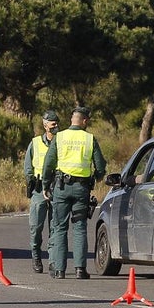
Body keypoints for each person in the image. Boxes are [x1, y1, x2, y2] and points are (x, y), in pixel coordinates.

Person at [42, 106, 106, 280]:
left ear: (72, 120)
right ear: (84, 121)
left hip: (61, 187)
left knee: (60, 227)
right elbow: (100, 166)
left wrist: (46, 185)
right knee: (79, 228)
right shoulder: (89, 139)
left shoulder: (60, 137)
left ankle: (60, 270)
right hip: (81, 189)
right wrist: (97, 177)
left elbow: (49, 163)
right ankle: (80, 269)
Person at [24, 110, 60, 273]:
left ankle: (52, 260)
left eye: (57, 123)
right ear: (45, 125)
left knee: (55, 226)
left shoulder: (61, 142)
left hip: (56, 188)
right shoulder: (35, 142)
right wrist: (31, 181)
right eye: (53, 124)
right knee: (36, 226)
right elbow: (27, 167)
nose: (56, 126)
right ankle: (36, 255)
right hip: (39, 189)